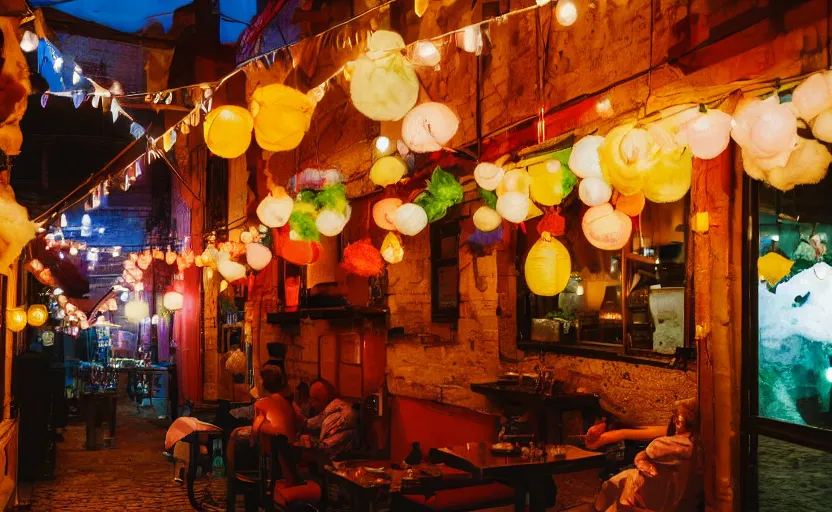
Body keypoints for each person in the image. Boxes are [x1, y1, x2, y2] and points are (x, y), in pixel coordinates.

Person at [581, 398, 702, 512]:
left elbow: (652, 450)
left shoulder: (671, 445)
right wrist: (608, 429)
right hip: (646, 459)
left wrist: (619, 435)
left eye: (678, 420)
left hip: (656, 483)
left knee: (621, 484)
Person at [299, 378, 358, 459]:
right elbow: (315, 421)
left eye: (312, 400)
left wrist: (310, 440)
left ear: (318, 400)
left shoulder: (338, 415)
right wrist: (302, 422)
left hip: (340, 464)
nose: (311, 404)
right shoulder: (334, 408)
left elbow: (326, 448)